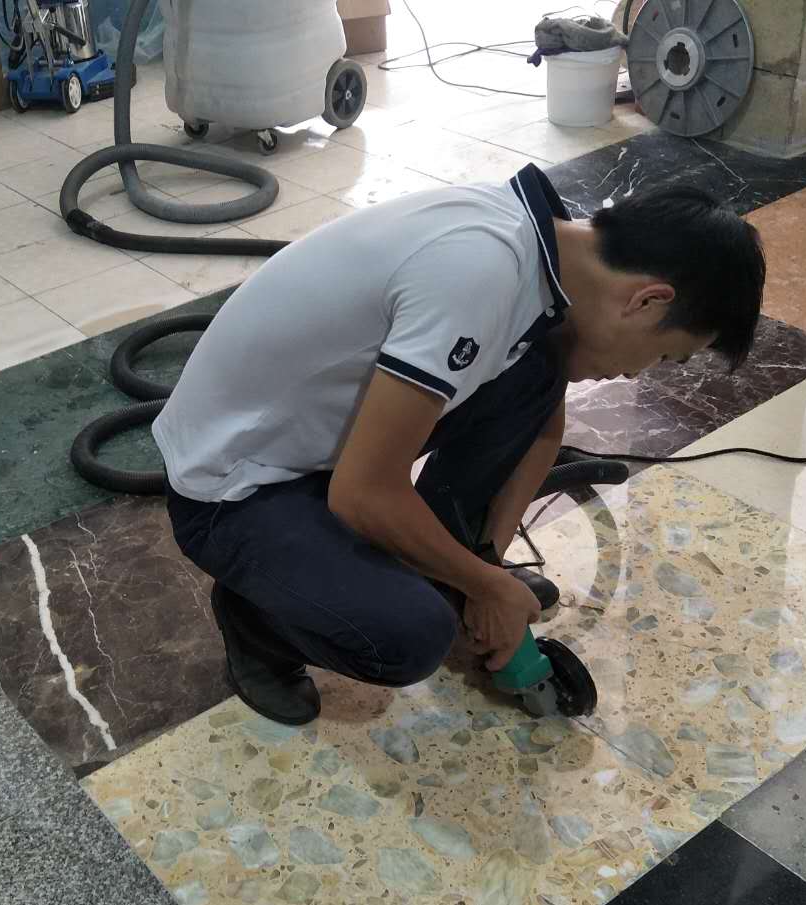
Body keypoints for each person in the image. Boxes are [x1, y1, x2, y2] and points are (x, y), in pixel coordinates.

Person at [154, 163, 766, 725]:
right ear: (648, 300)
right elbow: (362, 494)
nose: (637, 373)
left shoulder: (543, 252)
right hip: (233, 489)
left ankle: (444, 566)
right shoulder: (479, 270)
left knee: (536, 374)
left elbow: (542, 427)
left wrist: (485, 570)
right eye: (664, 356)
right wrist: (490, 589)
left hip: (320, 450)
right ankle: (256, 625)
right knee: (410, 637)